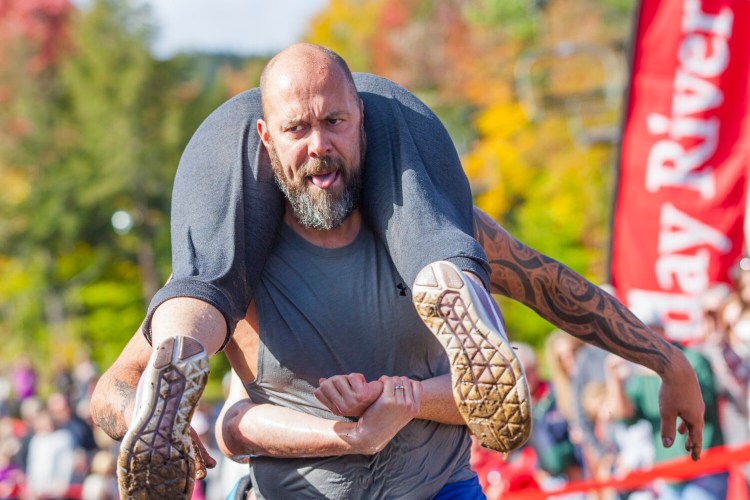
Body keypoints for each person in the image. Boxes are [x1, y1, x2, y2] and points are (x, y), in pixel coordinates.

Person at [93, 44, 706, 498]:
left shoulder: (427, 217)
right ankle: (183, 344)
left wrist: (394, 401)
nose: (318, 146)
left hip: (437, 488)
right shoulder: (241, 259)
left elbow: (545, 287)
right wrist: (148, 419)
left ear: (362, 119)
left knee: (448, 257)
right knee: (200, 306)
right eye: (296, 129)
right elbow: (122, 395)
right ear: (264, 139)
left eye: (333, 122)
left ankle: (447, 284)